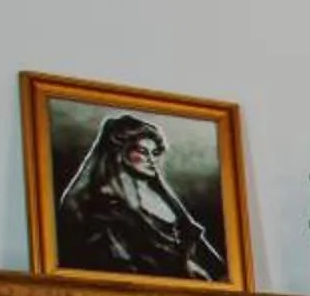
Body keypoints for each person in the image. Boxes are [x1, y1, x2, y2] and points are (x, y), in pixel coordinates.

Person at [56, 112, 226, 281]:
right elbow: (119, 263)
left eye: (155, 152)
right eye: (143, 152)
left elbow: (197, 244)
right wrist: (183, 268)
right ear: (121, 154)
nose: (151, 159)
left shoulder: (162, 196)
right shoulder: (101, 204)